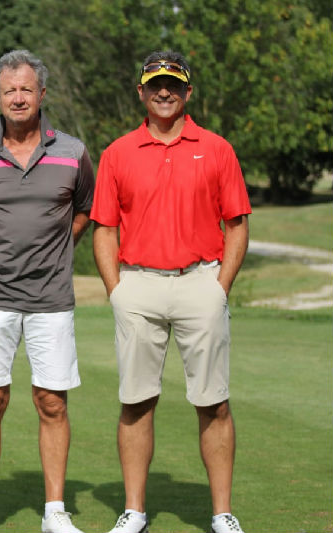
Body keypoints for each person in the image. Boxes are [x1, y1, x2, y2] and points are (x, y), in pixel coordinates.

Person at [90, 51, 251, 533]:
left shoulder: (216, 148)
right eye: (156, 84)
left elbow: (237, 224)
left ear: (188, 92)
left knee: (213, 402)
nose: (165, 92)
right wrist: (117, 290)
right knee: (136, 401)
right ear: (141, 91)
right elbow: (104, 228)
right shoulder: (118, 153)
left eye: (174, 85)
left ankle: (222, 514)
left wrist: (220, 287)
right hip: (137, 285)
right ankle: (135, 512)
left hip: (201, 281)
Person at [0, 49, 95, 533]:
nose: (18, 98)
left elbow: (85, 209)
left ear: (42, 94)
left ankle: (55, 512)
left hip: (51, 298)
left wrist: (59, 247)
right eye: (9, 90)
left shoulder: (73, 152)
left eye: (26, 89)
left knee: (52, 402)